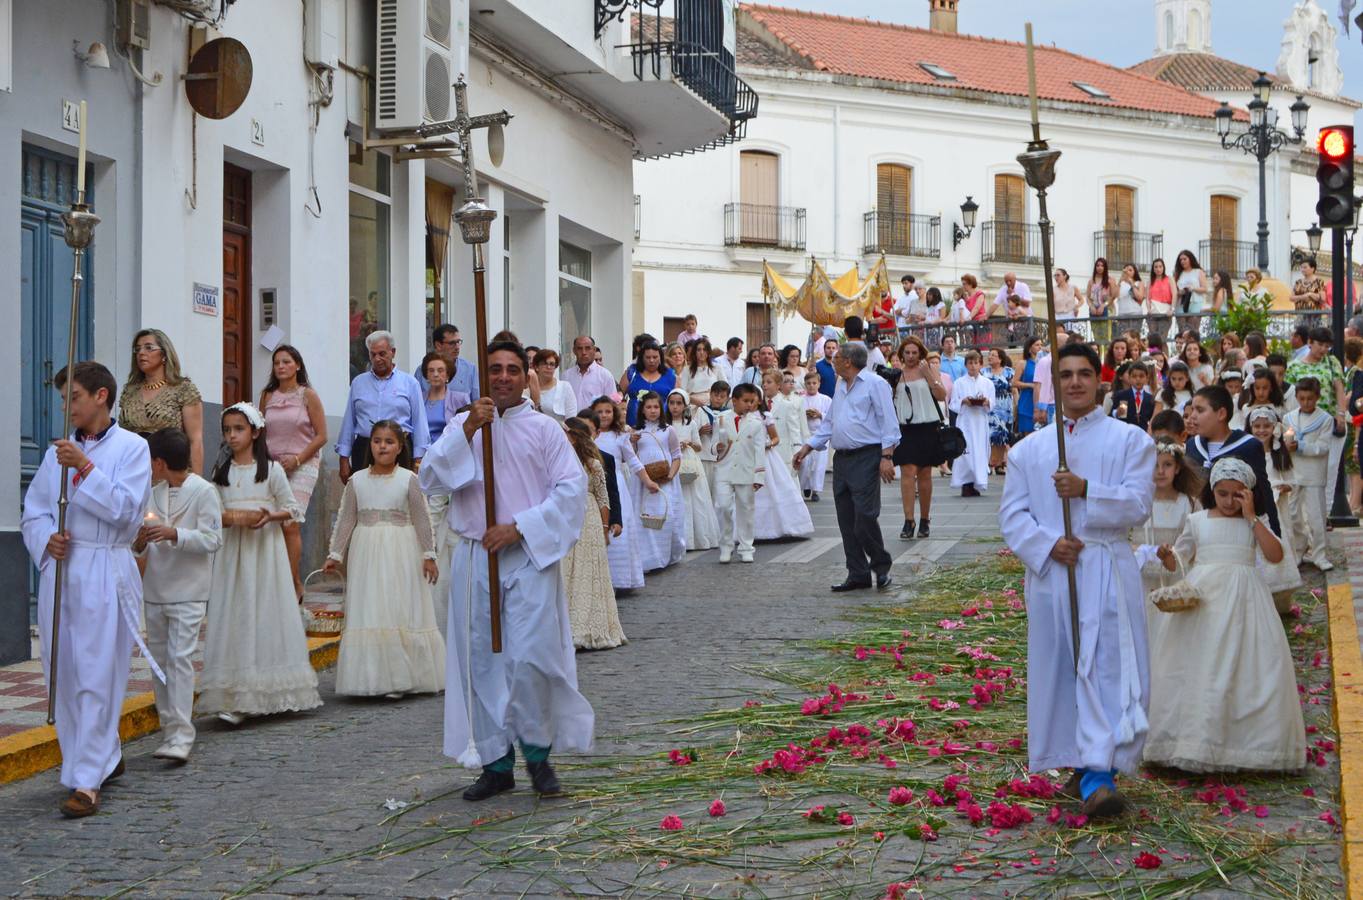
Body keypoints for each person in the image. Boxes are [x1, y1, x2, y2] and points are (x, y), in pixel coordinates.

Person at [420, 341, 592, 802]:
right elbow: (431, 479)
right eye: (494, 369)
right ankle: (496, 764)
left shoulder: (545, 430)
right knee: (483, 660)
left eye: (512, 370)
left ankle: (538, 759)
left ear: (526, 375)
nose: (502, 377)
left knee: (530, 658)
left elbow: (572, 491)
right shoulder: (465, 423)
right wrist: (468, 432)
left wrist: (520, 527)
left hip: (529, 556)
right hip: (477, 556)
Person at [998, 342, 1155, 818]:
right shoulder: (1030, 450)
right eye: (1065, 374)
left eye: (1084, 373)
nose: (1074, 383)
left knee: (1106, 667)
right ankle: (1082, 764)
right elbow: (1013, 515)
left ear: (1099, 381)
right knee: (1063, 666)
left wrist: (1088, 489)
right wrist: (1047, 544)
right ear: (1055, 382)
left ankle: (1099, 772)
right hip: (1054, 575)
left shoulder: (1131, 441)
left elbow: (1138, 504)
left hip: (1107, 569)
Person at [21, 362, 153, 817]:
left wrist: (85, 469)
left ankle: (86, 780)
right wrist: (46, 538)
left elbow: (126, 514)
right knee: (64, 672)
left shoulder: (133, 448)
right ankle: (101, 755)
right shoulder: (56, 452)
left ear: (101, 396)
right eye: (63, 400)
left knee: (97, 672)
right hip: (62, 570)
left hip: (104, 567)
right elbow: (34, 511)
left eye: (72, 397)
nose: (65, 407)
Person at [1146, 458, 1304, 773]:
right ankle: (1194, 740)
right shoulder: (1199, 520)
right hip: (1204, 600)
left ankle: (1249, 744)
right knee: (1203, 664)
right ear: (1212, 492)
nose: (1229, 501)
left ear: (1248, 494)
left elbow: (1275, 556)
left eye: (1237, 494)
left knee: (1246, 665)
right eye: (1223, 494)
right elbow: (1180, 560)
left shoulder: (1252, 522)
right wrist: (1167, 557)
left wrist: (1252, 518)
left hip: (1246, 599)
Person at [197, 402, 322, 725]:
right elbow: (213, 514)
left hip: (264, 554)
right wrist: (225, 519)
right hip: (233, 557)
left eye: (238, 429)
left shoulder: (272, 471)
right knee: (235, 614)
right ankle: (235, 694)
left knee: (263, 612)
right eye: (227, 430)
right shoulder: (220, 473)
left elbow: (293, 510)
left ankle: (268, 691)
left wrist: (270, 516)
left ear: (254, 432)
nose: (232, 435)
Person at [322, 420, 444, 698]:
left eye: (389, 442)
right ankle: (374, 676)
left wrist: (428, 554)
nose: (382, 446)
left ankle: (402, 675)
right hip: (366, 550)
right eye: (377, 441)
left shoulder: (409, 480)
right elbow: (346, 519)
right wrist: (335, 553)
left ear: (400, 447)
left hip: (401, 548)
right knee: (371, 605)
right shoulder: (356, 481)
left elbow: (422, 518)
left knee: (396, 604)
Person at [135, 428, 222, 763]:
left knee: (180, 659)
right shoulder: (151, 493)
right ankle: (168, 728)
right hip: (155, 590)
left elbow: (213, 540)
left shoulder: (204, 492)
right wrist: (141, 542)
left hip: (189, 590)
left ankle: (183, 734)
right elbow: (137, 543)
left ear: (158, 462)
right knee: (159, 663)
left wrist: (174, 533)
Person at [794, 342, 898, 592]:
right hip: (842, 457)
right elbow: (830, 423)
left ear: (849, 361)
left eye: (837, 357)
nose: (833, 360)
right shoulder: (841, 385)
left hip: (867, 456)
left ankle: (881, 564)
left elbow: (889, 422)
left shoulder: (875, 384)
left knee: (864, 515)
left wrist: (887, 456)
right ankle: (858, 572)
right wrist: (808, 446)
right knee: (846, 518)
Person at [260, 345, 328, 602]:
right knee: (271, 523)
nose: (281, 367)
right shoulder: (268, 396)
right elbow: (261, 432)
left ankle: (293, 583)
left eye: (286, 362)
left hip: (304, 463)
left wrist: (298, 459)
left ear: (297, 365)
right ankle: (276, 581)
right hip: (273, 465)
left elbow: (322, 435)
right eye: (277, 362)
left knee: (290, 523)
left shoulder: (308, 395)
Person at [561, 417, 627, 650]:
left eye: (566, 434)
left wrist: (604, 528)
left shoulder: (593, 464)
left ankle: (589, 626)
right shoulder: (558, 461)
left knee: (588, 570)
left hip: (588, 518)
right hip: (565, 516)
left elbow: (603, 497)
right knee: (567, 570)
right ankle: (566, 625)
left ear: (575, 437)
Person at [1184, 385, 1279, 536]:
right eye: (1192, 410)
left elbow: (1263, 492)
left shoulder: (1248, 445)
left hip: (1237, 528)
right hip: (1201, 529)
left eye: (1200, 410)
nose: (1192, 416)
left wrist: (1273, 533)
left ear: (1221, 413)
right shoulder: (1192, 445)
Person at [337, 331, 429, 483]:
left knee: (398, 497)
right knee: (364, 497)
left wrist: (418, 460)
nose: (377, 359)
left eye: (382, 354)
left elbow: (420, 423)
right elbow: (349, 422)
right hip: (365, 447)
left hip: (400, 448)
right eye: (373, 355)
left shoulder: (409, 383)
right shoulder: (358, 383)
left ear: (393, 352)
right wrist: (343, 458)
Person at [119, 329, 205, 473]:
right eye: (137, 349)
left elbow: (195, 441)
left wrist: (196, 485)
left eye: (149, 348)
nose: (141, 353)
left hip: (171, 474)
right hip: (133, 472)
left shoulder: (183, 389)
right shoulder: (130, 390)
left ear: (164, 354)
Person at [1284, 326, 1349, 511]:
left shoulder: (1331, 362)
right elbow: (1290, 395)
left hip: (1328, 421)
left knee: (1330, 467)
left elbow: (1339, 389)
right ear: (1310, 343)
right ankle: (1303, 511)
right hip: (1303, 423)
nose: (1323, 349)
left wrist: (1341, 415)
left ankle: (1325, 511)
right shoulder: (1295, 366)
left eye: (1327, 346)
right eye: (1320, 344)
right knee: (1303, 467)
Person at [889, 336, 948, 540]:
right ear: (902, 354)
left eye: (915, 352)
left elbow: (942, 395)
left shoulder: (928, 371)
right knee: (907, 471)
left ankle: (924, 518)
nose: (911, 356)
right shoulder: (896, 375)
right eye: (907, 352)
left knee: (924, 474)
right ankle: (908, 520)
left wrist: (929, 376)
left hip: (928, 426)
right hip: (906, 429)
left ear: (920, 353)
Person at [1246, 407, 1304, 611]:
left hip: (1277, 509)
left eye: (1266, 426)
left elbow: (1293, 480)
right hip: (1257, 507)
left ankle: (1281, 597)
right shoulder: (1248, 453)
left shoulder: (1279, 454)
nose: (1261, 430)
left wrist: (1283, 487)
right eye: (1257, 426)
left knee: (1280, 542)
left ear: (1274, 427)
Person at [591, 397, 645, 592]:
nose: (604, 415)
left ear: (614, 414)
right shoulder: (589, 436)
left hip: (616, 487)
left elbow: (633, 461)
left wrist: (648, 481)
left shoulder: (620, 436)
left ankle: (620, 580)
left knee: (617, 531)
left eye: (608, 411)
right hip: (593, 487)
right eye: (599, 412)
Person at [754, 373, 816, 542]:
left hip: (783, 454)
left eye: (769, 382)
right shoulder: (756, 405)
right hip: (762, 457)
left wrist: (797, 452)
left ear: (778, 384)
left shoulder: (787, 405)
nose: (765, 385)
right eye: (763, 382)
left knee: (785, 490)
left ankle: (791, 525)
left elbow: (794, 430)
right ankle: (767, 526)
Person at [630, 390, 686, 572]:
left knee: (664, 515)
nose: (653, 411)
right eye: (649, 407)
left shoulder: (668, 430)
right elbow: (630, 456)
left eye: (656, 407)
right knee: (645, 516)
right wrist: (632, 441)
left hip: (665, 478)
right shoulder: (636, 431)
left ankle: (665, 554)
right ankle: (649, 557)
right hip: (643, 479)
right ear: (642, 410)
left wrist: (670, 474)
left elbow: (676, 455)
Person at [1284, 377, 1334, 571]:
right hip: (1293, 473)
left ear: (1317, 398)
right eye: (1302, 398)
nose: (1306, 403)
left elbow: (1323, 447)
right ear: (1296, 397)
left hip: (1313, 474)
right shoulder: (1289, 418)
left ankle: (1320, 554)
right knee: (1293, 515)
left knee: (1316, 516)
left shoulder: (1325, 419)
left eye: (1310, 399)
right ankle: (1299, 550)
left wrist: (1301, 446)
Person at [713, 383, 766, 563]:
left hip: (746, 471)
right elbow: (713, 445)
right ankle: (726, 545)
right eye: (745, 401)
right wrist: (716, 447)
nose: (749, 405)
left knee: (746, 509)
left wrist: (759, 476)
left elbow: (759, 451)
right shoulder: (720, 419)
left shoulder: (757, 424)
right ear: (734, 401)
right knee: (723, 506)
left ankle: (746, 547)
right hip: (724, 470)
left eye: (752, 401)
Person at [949, 350, 994, 497]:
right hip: (966, 421)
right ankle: (966, 483)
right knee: (966, 451)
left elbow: (992, 402)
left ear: (981, 364)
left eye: (976, 363)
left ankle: (977, 481)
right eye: (970, 363)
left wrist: (987, 402)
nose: (973, 366)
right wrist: (963, 401)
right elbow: (953, 403)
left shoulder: (987, 383)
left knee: (979, 451)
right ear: (966, 365)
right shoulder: (959, 383)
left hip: (980, 421)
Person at [418, 324, 479, 400]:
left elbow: (476, 400)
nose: (457, 347)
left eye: (458, 342)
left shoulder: (469, 369)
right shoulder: (422, 370)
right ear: (438, 345)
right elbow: (416, 401)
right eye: (452, 343)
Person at [624, 342, 676, 427]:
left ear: (660, 358)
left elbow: (678, 399)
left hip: (662, 425)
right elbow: (619, 397)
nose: (651, 360)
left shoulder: (670, 375)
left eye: (655, 357)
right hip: (633, 425)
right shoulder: (632, 372)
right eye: (648, 357)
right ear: (642, 358)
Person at [799, 371, 832, 501]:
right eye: (808, 383)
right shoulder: (800, 400)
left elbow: (831, 416)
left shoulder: (826, 399)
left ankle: (816, 490)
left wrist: (820, 415)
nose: (811, 386)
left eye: (814, 383)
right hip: (805, 434)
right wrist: (804, 414)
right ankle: (805, 486)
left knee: (819, 464)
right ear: (805, 384)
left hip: (820, 434)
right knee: (805, 462)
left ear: (819, 384)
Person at [983, 347, 1015, 474]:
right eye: (989, 355)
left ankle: (1000, 463)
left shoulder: (1009, 372)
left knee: (1003, 436)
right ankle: (991, 462)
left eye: (993, 355)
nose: (990, 357)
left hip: (1005, 407)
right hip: (990, 407)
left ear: (1000, 358)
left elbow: (1014, 390)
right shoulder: (983, 372)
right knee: (991, 434)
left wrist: (1016, 406)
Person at [563, 336, 616, 411]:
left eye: (587, 348)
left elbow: (612, 404)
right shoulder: (566, 376)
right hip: (571, 422)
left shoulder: (605, 376)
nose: (584, 352)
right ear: (574, 351)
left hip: (595, 422)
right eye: (579, 348)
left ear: (594, 350)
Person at [768, 371, 807, 470]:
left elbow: (801, 426)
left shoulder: (797, 400)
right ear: (780, 385)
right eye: (786, 381)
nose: (791, 383)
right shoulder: (764, 402)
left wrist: (799, 449)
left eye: (792, 381)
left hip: (784, 448)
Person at [528, 349, 577, 422]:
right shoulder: (528, 388)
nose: (548, 367)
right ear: (536, 367)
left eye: (552, 364)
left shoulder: (564, 387)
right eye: (544, 364)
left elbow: (571, 417)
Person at [1109, 361, 1155, 432]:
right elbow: (1111, 416)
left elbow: (1152, 419)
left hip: (1143, 434)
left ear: (1147, 378)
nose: (1138, 379)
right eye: (1134, 376)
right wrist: (1116, 413)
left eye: (1141, 376)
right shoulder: (1122, 395)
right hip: (1125, 433)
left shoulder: (1150, 398)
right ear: (1129, 378)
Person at [1173, 249, 1208, 337]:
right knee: (1182, 332)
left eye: (1185, 259)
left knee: (1193, 332)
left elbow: (1205, 288)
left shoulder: (1198, 272)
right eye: (1180, 260)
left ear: (1190, 259)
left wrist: (1193, 288)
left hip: (1195, 303)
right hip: (1181, 304)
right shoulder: (1178, 274)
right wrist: (1180, 292)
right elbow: (1174, 290)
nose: (1182, 261)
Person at [1016, 337, 1043, 436]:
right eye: (1037, 345)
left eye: (1041, 345)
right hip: (1026, 403)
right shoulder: (1023, 363)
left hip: (1042, 404)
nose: (1040, 347)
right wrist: (1031, 385)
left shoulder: (1044, 363)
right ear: (1029, 348)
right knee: (1028, 438)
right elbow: (1014, 383)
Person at [680, 338, 718, 406]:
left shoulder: (717, 368)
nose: (702, 352)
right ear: (695, 352)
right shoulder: (687, 370)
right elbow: (682, 391)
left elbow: (725, 388)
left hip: (713, 405)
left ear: (708, 352)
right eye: (699, 350)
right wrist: (694, 401)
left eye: (704, 349)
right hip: (693, 405)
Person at [1086, 258, 1117, 344]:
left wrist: (1104, 305)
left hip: (1107, 310)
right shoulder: (1091, 281)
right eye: (1098, 265)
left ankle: (1106, 356)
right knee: (1096, 336)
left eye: (1102, 265)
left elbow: (1113, 296)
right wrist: (1091, 306)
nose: (1099, 267)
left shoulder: (1110, 280)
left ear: (1105, 267)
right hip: (1094, 311)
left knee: (1106, 337)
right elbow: (1088, 297)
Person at [1291, 258, 1327, 327]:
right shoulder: (1298, 282)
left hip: (1314, 315)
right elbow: (1291, 298)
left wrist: (1310, 294)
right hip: (1300, 313)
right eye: (1301, 267)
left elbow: (1322, 298)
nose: (1302, 269)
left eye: (1305, 267)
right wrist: (1303, 297)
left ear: (1312, 268)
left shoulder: (1319, 282)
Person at [1114, 264, 1146, 336]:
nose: (1128, 272)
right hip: (1122, 315)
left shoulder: (1139, 283)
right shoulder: (1121, 284)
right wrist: (1120, 281)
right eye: (1126, 270)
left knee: (1134, 338)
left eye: (1130, 270)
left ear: (1135, 272)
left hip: (1136, 315)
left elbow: (1139, 297)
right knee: (1123, 338)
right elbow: (1114, 295)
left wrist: (1132, 283)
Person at [1147, 258, 1174, 340]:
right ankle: (1154, 353)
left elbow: (1174, 294)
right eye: (1156, 267)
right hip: (1153, 313)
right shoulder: (1150, 281)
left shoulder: (1169, 279)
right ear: (1153, 269)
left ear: (1163, 267)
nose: (1158, 269)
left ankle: (1163, 353)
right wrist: (1149, 309)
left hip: (1165, 313)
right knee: (1153, 340)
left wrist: (1172, 309)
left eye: (1160, 266)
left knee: (1162, 340)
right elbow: (1147, 298)